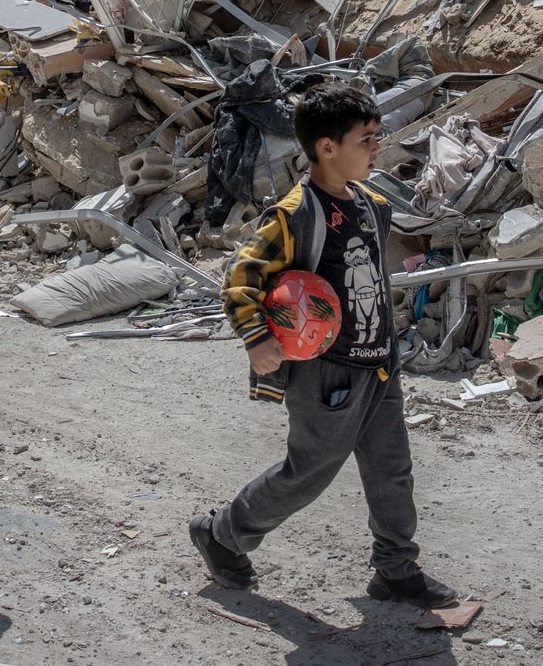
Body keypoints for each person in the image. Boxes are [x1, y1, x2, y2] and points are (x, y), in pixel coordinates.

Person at [189, 80, 459, 609]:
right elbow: (240, 276)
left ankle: (397, 569)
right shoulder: (295, 214)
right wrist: (257, 338)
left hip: (379, 363)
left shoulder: (372, 205)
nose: (376, 147)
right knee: (308, 474)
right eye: (366, 138)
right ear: (327, 147)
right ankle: (223, 533)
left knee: (392, 468)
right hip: (328, 374)